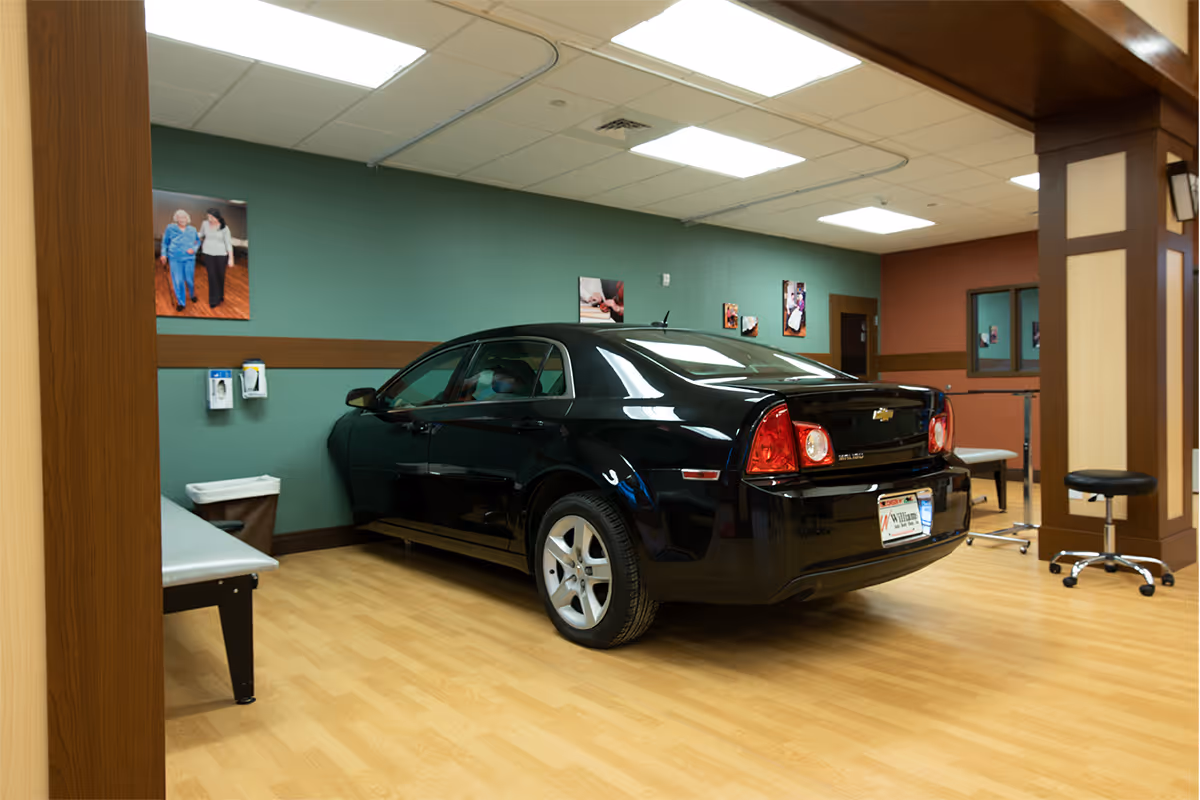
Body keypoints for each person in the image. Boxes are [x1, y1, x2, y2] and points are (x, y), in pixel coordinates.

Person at [160, 210, 200, 311]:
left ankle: (191, 294)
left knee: (190, 280)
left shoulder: (193, 229)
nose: (182, 220)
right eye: (180, 217)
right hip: (175, 258)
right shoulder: (170, 228)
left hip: (189, 259)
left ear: (188, 219)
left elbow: (197, 242)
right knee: (178, 281)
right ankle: (181, 302)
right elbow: (165, 243)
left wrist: (194, 249)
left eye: (184, 217)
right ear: (176, 218)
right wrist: (163, 254)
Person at [198, 208, 234, 308]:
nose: (209, 218)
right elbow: (201, 234)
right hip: (208, 254)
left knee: (220, 276)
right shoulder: (205, 224)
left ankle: (220, 295)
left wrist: (231, 258)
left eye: (211, 217)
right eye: (208, 216)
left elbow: (228, 243)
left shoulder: (224, 228)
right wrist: (194, 238)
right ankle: (213, 300)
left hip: (221, 255)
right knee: (212, 276)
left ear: (217, 217)